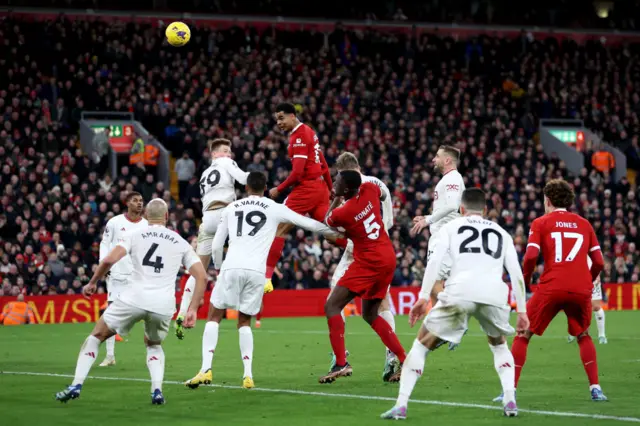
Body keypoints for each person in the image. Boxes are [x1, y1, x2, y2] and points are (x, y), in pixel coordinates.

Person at [381, 188, 528, 420]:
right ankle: (510, 399)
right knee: (500, 346)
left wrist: (422, 297)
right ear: (486, 210)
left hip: (460, 291)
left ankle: (401, 405)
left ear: (461, 209)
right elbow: (517, 274)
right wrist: (522, 310)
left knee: (420, 346)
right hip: (494, 294)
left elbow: (435, 262)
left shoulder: (450, 228)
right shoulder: (502, 233)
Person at [184, 172, 337, 389]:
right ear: (265, 188)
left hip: (231, 266)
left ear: (246, 188)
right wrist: (334, 231)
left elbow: (217, 244)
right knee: (244, 322)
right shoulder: (274, 207)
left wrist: (219, 267)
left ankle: (205, 370)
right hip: (256, 271)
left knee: (213, 317)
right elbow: (307, 223)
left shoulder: (231, 208)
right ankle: (247, 375)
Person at [55, 199, 207, 405]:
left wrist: (92, 282)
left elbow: (108, 260)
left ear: (145, 216)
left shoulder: (134, 235)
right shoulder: (179, 241)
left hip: (133, 298)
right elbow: (201, 276)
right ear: (167, 217)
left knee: (97, 335)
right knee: (153, 344)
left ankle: (76, 384)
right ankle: (157, 391)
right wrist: (193, 309)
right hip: (163, 305)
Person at [493, 179, 607, 403]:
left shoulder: (541, 222)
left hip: (552, 286)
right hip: (580, 289)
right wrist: (588, 281)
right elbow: (600, 262)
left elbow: (531, 257)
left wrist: (524, 281)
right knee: (583, 335)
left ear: (547, 200)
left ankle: (510, 391)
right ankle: (596, 388)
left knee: (524, 334)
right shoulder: (585, 224)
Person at [320, 170, 406, 384]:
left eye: (338, 181)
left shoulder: (343, 211)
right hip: (387, 256)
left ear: (347, 189)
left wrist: (335, 200)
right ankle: (404, 358)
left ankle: (341, 363)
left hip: (369, 261)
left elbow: (327, 222)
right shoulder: (369, 190)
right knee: (369, 313)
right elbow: (382, 193)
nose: (334, 183)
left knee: (332, 306)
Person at [264, 102, 343, 293]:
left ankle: (266, 277)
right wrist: (330, 187)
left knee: (280, 226)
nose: (279, 123)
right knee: (329, 228)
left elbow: (298, 173)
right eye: (277, 119)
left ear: (293, 116)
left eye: (282, 118)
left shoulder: (299, 136)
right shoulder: (309, 131)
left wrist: (279, 189)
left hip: (306, 189)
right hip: (320, 188)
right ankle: (358, 249)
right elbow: (322, 161)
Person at [175, 138, 249, 339]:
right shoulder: (225, 162)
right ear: (214, 154)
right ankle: (231, 294)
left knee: (198, 270)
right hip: (225, 213)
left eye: (230, 151)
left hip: (207, 219)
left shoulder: (204, 174)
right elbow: (243, 179)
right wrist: (257, 180)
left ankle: (183, 312)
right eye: (225, 151)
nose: (229, 154)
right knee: (238, 254)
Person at [410, 145, 466, 350]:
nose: (434, 160)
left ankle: (454, 323)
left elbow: (452, 206)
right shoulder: (449, 179)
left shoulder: (452, 179)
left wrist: (428, 220)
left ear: (448, 160)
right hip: (445, 236)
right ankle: (449, 326)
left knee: (435, 282)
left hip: (445, 237)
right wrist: (428, 218)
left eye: (437, 156)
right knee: (438, 286)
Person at [98, 191, 148, 367]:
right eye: (135, 200)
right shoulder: (115, 223)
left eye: (141, 200)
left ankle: (152, 353)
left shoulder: (147, 225)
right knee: (111, 314)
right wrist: (104, 264)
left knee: (149, 312)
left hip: (139, 276)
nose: (139, 203)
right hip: (117, 274)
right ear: (127, 203)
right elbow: (105, 244)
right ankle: (110, 356)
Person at [567, 257, 607, 344]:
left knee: (596, 306)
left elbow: (597, 259)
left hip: (592, 277)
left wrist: (598, 275)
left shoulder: (591, 244)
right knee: (576, 306)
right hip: (577, 278)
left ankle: (602, 335)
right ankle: (575, 331)